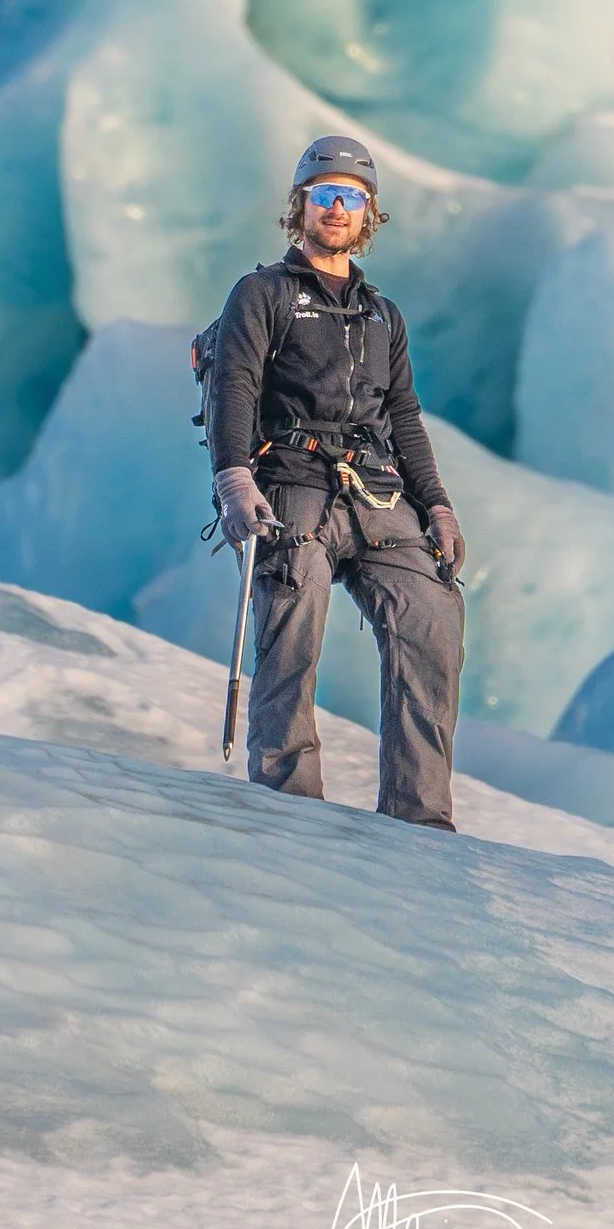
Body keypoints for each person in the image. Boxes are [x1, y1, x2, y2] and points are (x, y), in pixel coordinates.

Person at [206, 133, 468, 827]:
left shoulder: (384, 316)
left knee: (433, 617)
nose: (337, 208)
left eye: (351, 198)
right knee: (295, 621)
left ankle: (421, 816)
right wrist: (235, 477)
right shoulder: (261, 294)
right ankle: (288, 805)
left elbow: (403, 412)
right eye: (324, 196)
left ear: (369, 215)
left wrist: (436, 504)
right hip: (290, 482)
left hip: (377, 492)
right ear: (301, 206)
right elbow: (234, 382)